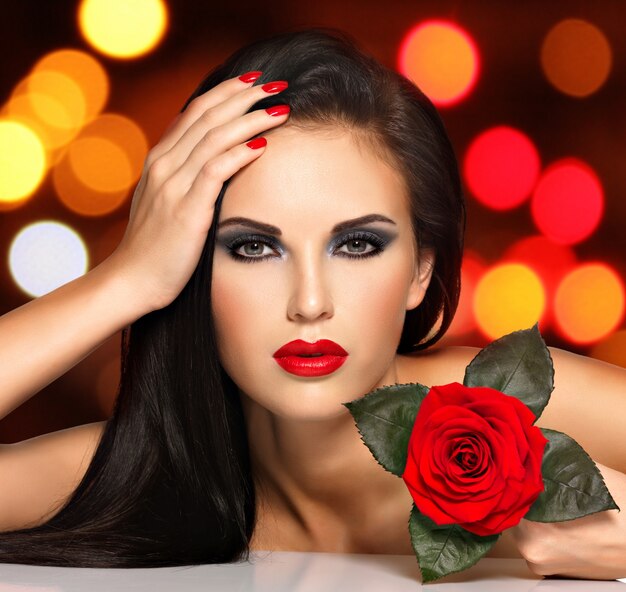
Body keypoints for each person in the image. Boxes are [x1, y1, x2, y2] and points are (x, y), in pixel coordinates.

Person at [0, 26, 624, 578]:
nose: (309, 303)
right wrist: (126, 280)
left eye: (356, 244)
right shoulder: (148, 475)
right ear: (192, 270)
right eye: (252, 248)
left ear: (420, 270)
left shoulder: (524, 411)